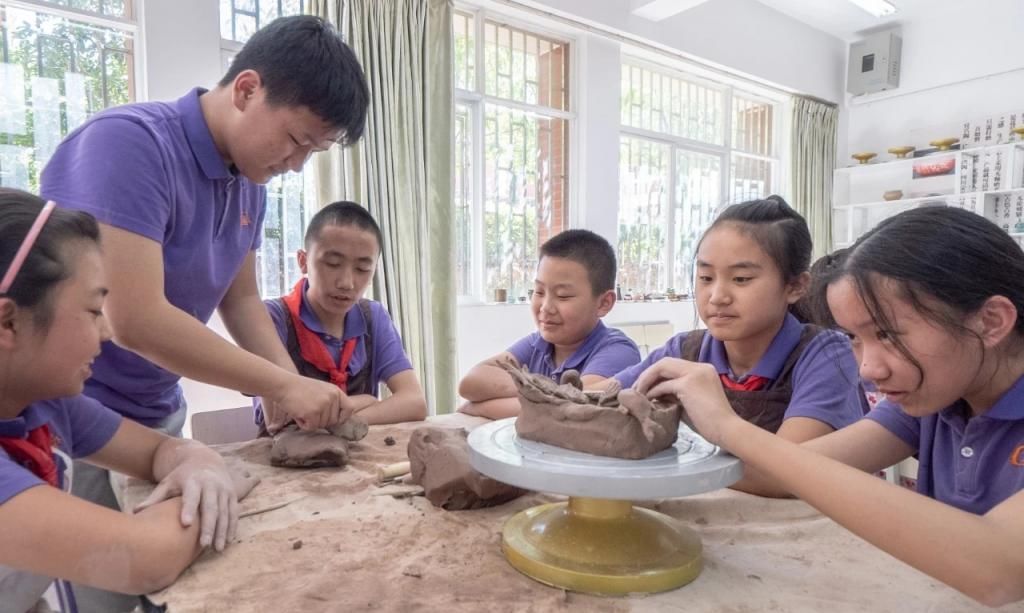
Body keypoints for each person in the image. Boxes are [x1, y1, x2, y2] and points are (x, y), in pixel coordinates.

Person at [39, 15, 368, 610]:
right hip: (79, 417)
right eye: (296, 141)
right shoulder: (130, 145)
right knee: (106, 590)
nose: (297, 164)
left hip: (158, 413)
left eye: (313, 152)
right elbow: (132, 318)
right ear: (246, 89)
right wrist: (279, 383)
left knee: (171, 588)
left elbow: (238, 298)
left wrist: (286, 385)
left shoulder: (249, 181)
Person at [636, 205, 1024, 606]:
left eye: (887, 334)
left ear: (991, 321)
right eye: (855, 338)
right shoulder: (934, 402)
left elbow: (1001, 568)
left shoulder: (918, 386)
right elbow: (790, 472)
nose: (869, 371)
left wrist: (727, 427)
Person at [0, 189, 253, 612]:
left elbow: (160, 449)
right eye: (94, 310)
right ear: (8, 322)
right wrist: (218, 491)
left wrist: (202, 467)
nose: (106, 333)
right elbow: (142, 559)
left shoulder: (45, 404)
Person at [614, 196, 865, 493]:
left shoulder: (826, 356)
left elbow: (787, 474)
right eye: (706, 277)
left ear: (795, 286)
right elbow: (602, 396)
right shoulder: (684, 352)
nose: (717, 296)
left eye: (741, 279)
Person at [256, 202, 426, 428]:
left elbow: (414, 402)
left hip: (356, 453)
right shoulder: (272, 318)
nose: (346, 283)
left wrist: (348, 422)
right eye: (333, 263)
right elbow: (282, 421)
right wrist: (366, 401)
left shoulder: (372, 317)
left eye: (362, 269)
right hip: (286, 457)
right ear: (303, 261)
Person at [458, 229, 640, 419]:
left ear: (604, 303)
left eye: (563, 296)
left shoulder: (617, 351)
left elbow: (571, 410)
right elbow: (471, 383)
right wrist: (540, 393)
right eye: (538, 292)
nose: (546, 307)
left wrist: (480, 408)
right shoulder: (537, 344)